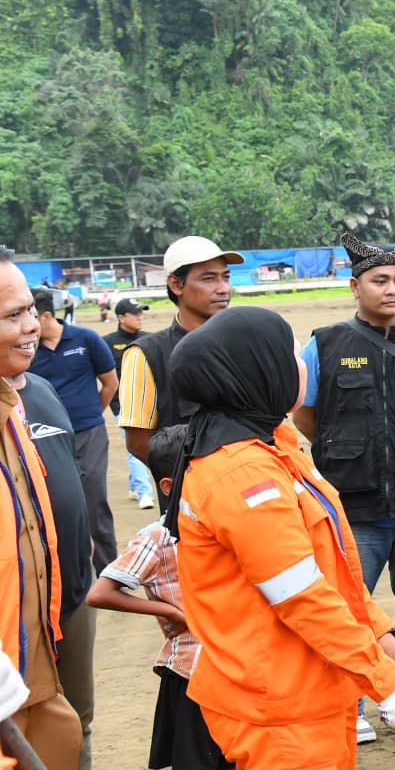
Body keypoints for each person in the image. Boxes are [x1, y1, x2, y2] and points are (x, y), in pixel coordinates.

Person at [167, 305, 395, 770]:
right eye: (287, 354)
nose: (300, 364)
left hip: (313, 687)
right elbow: (300, 594)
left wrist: (377, 631)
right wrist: (383, 682)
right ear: (255, 371)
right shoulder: (243, 474)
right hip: (282, 703)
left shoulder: (273, 441)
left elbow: (333, 563)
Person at [292, 232, 395, 746]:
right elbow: (304, 413)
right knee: (349, 616)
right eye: (379, 281)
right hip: (354, 510)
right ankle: (350, 707)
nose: (392, 289)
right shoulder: (325, 344)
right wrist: (344, 450)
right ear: (355, 286)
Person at [13, 370, 152, 770]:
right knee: (18, 714)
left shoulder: (41, 389)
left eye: (32, 325)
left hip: (71, 580)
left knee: (75, 709)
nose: (29, 332)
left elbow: (68, 467)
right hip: (16, 598)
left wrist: (83, 537)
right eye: (14, 326)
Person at [87, 425, 235, 770]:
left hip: (231, 667)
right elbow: (101, 592)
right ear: (169, 486)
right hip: (189, 672)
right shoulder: (157, 537)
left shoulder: (222, 524)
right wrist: (169, 611)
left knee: (228, 768)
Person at [0, 258, 82, 770]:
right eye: (13, 315)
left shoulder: (17, 405)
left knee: (60, 739)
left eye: (31, 309)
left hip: (35, 667)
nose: (33, 325)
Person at [119, 236, 238, 477]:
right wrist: (192, 481)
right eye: (209, 279)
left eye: (225, 277)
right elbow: (138, 442)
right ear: (176, 284)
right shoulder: (146, 353)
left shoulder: (244, 343)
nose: (223, 288)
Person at [29, 288, 119, 572]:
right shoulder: (29, 351)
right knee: (59, 502)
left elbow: (110, 383)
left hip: (89, 433)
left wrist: (91, 414)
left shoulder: (86, 339)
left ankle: (109, 573)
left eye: (31, 316)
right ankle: (71, 572)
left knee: (95, 501)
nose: (27, 325)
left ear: (46, 316)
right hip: (46, 439)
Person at [103, 297, 154, 509]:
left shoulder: (150, 339)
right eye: (135, 314)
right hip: (123, 405)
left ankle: (134, 486)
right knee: (137, 444)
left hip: (149, 402)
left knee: (141, 445)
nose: (140, 317)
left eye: (141, 313)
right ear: (121, 317)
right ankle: (145, 492)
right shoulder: (107, 343)